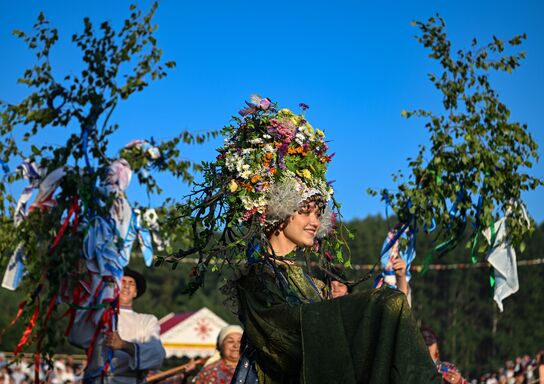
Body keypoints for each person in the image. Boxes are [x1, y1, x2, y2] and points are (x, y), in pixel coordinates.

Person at [178, 97, 441, 384]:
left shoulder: (311, 282)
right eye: (305, 212)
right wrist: (371, 309)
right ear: (277, 212)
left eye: (319, 213)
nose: (315, 221)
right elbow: (283, 341)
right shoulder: (256, 276)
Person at [70, 267, 166, 383]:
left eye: (131, 283)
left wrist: (124, 345)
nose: (126, 286)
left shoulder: (146, 321)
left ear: (135, 292)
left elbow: (157, 354)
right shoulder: (98, 316)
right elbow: (76, 337)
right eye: (122, 282)